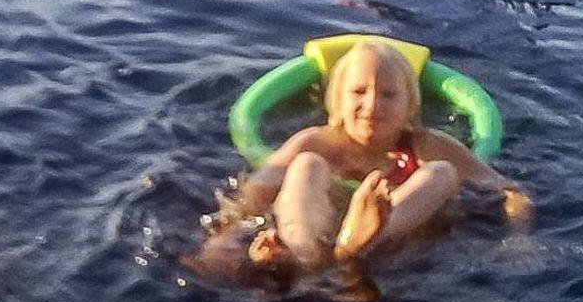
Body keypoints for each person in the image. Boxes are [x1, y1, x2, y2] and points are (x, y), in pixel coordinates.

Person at [182, 38, 530, 288]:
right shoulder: (316, 141)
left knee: (442, 172)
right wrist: (223, 240)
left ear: (411, 106)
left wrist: (519, 236)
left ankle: (364, 236)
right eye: (359, 92)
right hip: (315, 230)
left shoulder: (428, 145)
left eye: (389, 94)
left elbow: (510, 191)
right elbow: (255, 190)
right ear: (336, 100)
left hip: (391, 236)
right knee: (305, 165)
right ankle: (301, 253)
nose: (372, 104)